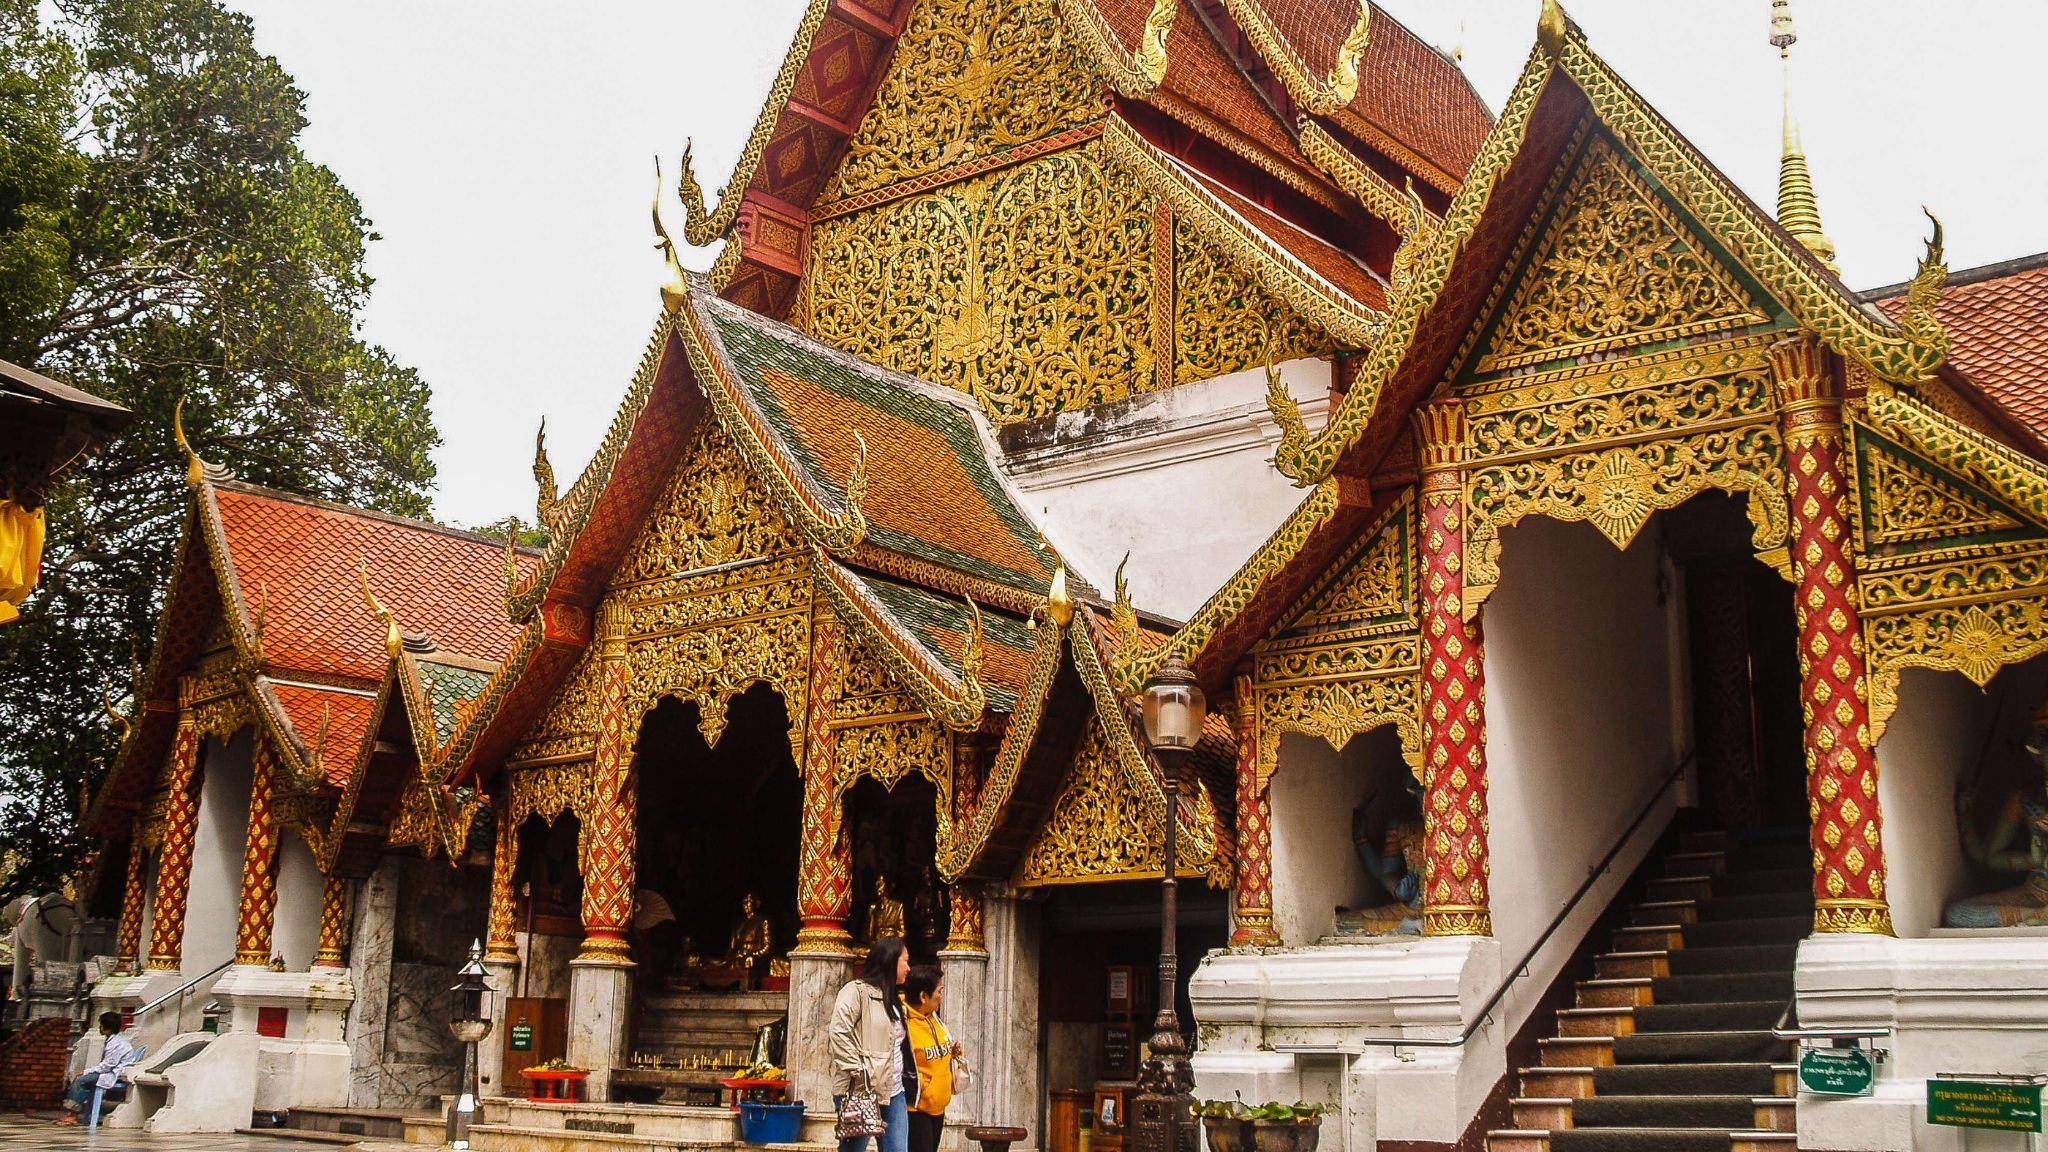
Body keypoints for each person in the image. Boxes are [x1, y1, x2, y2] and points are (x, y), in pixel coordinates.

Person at [829, 937, 911, 1152]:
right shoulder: (856, 991)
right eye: (905, 961)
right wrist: (860, 1070)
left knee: (897, 1149)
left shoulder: (895, 1000)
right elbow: (839, 1031)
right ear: (890, 961)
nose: (908, 968)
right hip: (861, 1090)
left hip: (894, 1091)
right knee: (854, 1149)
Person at [901, 964, 963, 1152]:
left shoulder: (934, 1018)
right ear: (923, 996)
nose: (941, 996)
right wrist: (922, 1085)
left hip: (938, 1106)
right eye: (939, 991)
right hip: (917, 1110)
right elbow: (898, 1061)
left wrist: (954, 1051)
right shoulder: (903, 1025)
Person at [55, 1012, 133, 1125]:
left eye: (101, 1025)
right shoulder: (113, 1040)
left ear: (107, 1029)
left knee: (81, 1081)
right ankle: (69, 1114)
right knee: (81, 1079)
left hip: (114, 1073)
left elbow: (107, 1066)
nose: (99, 1028)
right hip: (109, 1071)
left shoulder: (116, 1044)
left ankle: (73, 1115)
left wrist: (86, 1071)